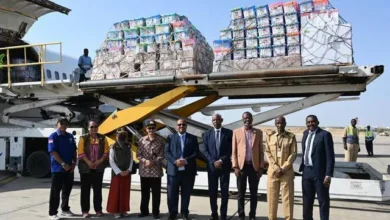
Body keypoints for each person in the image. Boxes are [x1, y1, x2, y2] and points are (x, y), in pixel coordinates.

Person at [299, 115, 335, 220]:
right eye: (308, 122)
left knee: (323, 201)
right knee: (306, 202)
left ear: (318, 122)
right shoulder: (305, 134)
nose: (310, 124)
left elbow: (330, 156)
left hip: (320, 174)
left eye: (313, 122)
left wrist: (328, 174)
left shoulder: (325, 135)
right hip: (306, 172)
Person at [232, 112, 264, 220]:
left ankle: (252, 215)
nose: (247, 120)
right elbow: (234, 152)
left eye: (249, 118)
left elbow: (261, 151)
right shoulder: (236, 132)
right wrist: (235, 167)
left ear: (252, 119)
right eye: (245, 118)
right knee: (241, 193)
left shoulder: (258, 132)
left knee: (254, 193)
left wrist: (260, 167)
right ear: (242, 119)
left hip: (253, 167)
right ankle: (241, 215)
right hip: (242, 167)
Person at [165, 118, 199, 220]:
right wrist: (175, 161)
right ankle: (173, 213)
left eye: (183, 125)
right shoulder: (170, 137)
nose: (181, 126)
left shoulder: (192, 138)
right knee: (172, 193)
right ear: (176, 126)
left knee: (186, 193)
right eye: (179, 124)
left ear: (186, 126)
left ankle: (184, 213)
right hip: (173, 170)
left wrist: (186, 160)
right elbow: (167, 152)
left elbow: (196, 152)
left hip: (188, 171)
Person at [265, 116, 297, 220]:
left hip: (286, 173)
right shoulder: (270, 136)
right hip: (273, 173)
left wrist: (283, 169)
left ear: (285, 123)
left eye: (282, 123)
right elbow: (268, 153)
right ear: (275, 124)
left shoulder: (291, 137)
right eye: (278, 123)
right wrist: (276, 168)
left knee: (287, 200)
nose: (280, 125)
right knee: (271, 200)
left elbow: (293, 154)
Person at [202, 113, 233, 220]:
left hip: (224, 167)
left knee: (224, 191)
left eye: (218, 120)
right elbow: (205, 150)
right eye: (214, 120)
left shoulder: (229, 133)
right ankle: (214, 213)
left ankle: (223, 214)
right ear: (212, 121)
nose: (216, 121)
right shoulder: (206, 134)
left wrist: (221, 160)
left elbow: (230, 149)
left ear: (221, 120)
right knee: (212, 191)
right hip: (212, 167)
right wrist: (213, 161)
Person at [77, 120, 109, 218]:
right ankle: (85, 211)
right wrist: (89, 162)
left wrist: (99, 161)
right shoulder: (83, 138)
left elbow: (106, 152)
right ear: (88, 128)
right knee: (85, 190)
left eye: (95, 126)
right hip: (85, 168)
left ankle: (98, 210)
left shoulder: (103, 138)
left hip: (98, 168)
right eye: (91, 127)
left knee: (97, 190)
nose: (94, 129)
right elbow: (80, 152)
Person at [48, 118, 77, 220]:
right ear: (57, 124)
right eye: (62, 124)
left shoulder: (70, 136)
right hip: (57, 169)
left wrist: (74, 163)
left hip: (69, 168)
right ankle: (52, 213)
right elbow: (53, 152)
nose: (64, 126)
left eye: (66, 125)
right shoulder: (53, 136)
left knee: (67, 190)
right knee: (55, 191)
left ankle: (64, 209)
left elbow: (74, 150)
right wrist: (63, 164)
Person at [137, 120, 165, 219]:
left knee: (156, 194)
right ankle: (144, 211)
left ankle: (156, 212)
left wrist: (152, 162)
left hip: (156, 171)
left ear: (156, 129)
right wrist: (145, 161)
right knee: (144, 193)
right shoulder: (141, 140)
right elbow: (138, 155)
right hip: (144, 171)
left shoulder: (160, 140)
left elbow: (162, 155)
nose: (151, 130)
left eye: (153, 128)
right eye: (149, 128)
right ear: (146, 129)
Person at [106, 128, 134, 219]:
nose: (122, 137)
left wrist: (129, 170)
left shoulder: (129, 146)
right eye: (120, 135)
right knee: (116, 193)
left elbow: (131, 159)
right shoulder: (113, 147)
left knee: (125, 193)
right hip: (117, 174)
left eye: (124, 135)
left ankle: (124, 210)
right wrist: (119, 171)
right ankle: (116, 211)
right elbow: (111, 161)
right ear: (116, 136)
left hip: (127, 173)